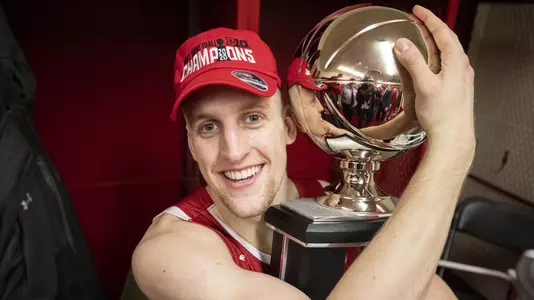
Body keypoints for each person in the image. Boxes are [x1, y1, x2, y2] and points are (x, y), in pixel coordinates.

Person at [132, 5, 475, 300]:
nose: (233, 152)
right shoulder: (169, 250)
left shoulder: (339, 205)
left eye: (252, 118)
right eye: (209, 127)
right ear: (192, 144)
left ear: (289, 127)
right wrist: (454, 144)